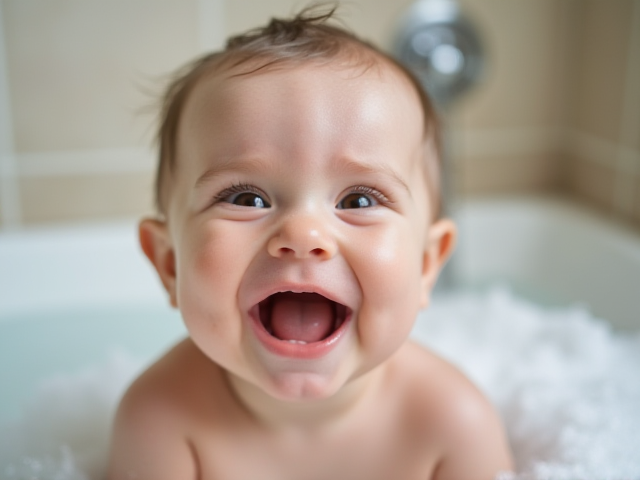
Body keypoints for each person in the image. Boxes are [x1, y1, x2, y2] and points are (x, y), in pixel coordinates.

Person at [107, 6, 513, 479]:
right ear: (169, 263)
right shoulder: (160, 419)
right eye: (246, 197)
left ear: (427, 265)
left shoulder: (451, 423)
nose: (303, 235)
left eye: (359, 200)